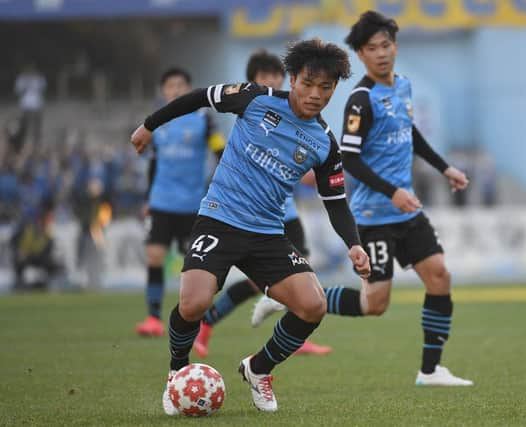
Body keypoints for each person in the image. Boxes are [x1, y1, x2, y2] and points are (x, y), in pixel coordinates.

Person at [130, 38, 370, 413]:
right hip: (219, 218)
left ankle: (259, 369)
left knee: (312, 305)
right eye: (308, 84)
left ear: (335, 89)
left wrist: (353, 244)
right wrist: (149, 126)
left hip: (268, 233)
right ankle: (177, 371)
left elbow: (336, 203)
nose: (315, 95)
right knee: (193, 304)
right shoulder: (255, 98)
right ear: (293, 79)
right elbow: (198, 98)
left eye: (326, 88)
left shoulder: (325, 143)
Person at [255, 11, 472, 386]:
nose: (381, 53)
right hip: (374, 215)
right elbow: (350, 158)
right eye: (372, 48)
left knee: (439, 275)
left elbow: (410, 133)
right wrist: (393, 191)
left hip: (406, 212)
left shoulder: (402, 86)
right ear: (360, 55)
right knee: (376, 305)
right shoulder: (360, 100)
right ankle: (291, 298)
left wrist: (444, 168)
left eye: (386, 45)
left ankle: (431, 369)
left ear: (395, 47)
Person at [193, 49, 332, 357]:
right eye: (264, 77)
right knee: (263, 283)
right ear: (253, 81)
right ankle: (207, 322)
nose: (271, 81)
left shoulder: (303, 120)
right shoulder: (251, 113)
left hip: (286, 214)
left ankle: (295, 336)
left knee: (301, 280)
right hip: (242, 216)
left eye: (276, 76)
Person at [134, 68, 224, 337]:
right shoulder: (157, 122)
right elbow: (153, 161)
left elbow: (220, 151)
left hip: (194, 203)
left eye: (181, 85)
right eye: (170, 86)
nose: (175, 90)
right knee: (155, 256)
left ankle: (193, 317)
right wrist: (150, 197)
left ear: (189, 88)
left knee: (195, 264)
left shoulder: (204, 119)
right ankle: (153, 318)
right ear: (163, 91)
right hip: (162, 201)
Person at [14, 64, 46, 147]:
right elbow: (18, 91)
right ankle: (21, 143)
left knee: (37, 127)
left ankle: (37, 144)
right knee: (24, 126)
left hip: (37, 105)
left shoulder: (39, 78)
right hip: (26, 105)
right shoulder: (21, 79)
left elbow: (43, 88)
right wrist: (26, 83)